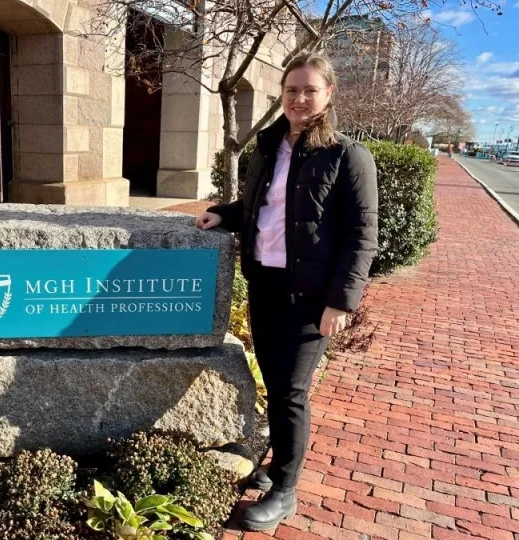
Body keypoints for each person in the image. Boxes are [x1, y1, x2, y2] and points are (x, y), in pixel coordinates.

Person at [196, 53, 378, 531]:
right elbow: (263, 206)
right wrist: (224, 213)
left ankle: (286, 489)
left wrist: (342, 301)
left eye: (309, 90)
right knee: (274, 384)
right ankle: (279, 467)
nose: (299, 99)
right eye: (292, 89)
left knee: (291, 391)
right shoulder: (270, 144)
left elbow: (363, 235)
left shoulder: (348, 155)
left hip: (312, 296)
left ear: (328, 95)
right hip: (265, 285)